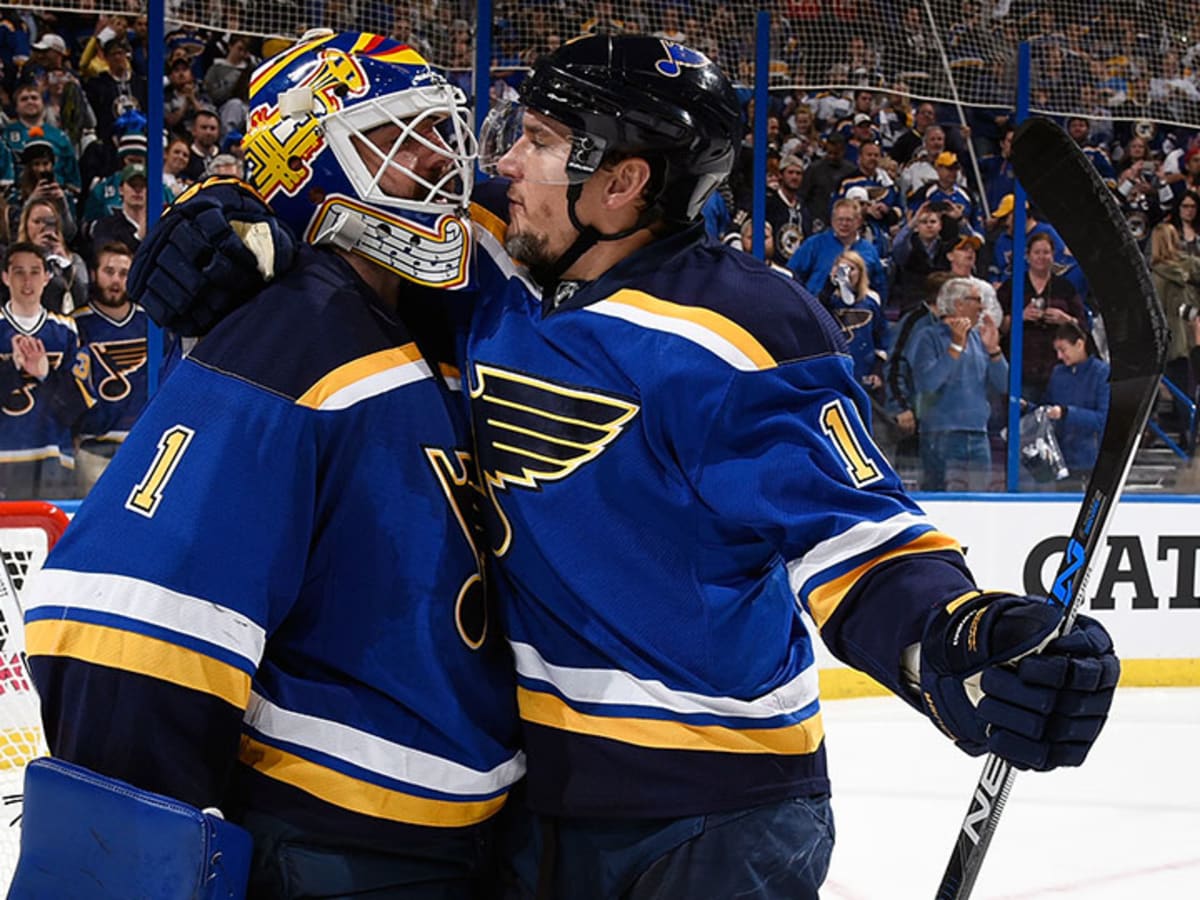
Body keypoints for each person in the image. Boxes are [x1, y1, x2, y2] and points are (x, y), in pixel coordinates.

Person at [142, 36, 1121, 900]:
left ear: (621, 183)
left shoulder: (740, 330)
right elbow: (350, 196)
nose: (502, 162)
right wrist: (224, 215)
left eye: (537, 140)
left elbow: (857, 538)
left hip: (713, 821)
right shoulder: (498, 260)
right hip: (541, 811)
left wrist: (959, 639)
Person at [18, 31, 523, 899]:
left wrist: (232, 194)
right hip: (340, 844)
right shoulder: (291, 336)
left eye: (444, 134)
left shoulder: (442, 316)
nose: (444, 164)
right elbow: (124, 615)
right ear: (312, 162)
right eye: (401, 140)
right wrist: (135, 859)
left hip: (468, 837)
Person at [54, 241, 149, 492]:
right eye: (109, 271)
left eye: (124, 273)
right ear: (94, 274)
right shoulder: (75, 324)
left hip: (143, 445)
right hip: (93, 449)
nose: (116, 280)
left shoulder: (151, 322)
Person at [909, 276, 1008, 492]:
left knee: (979, 504)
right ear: (958, 304)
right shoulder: (928, 337)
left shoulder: (978, 338)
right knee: (943, 501)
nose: (982, 307)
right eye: (976, 300)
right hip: (941, 435)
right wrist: (954, 347)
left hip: (978, 434)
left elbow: (1005, 386)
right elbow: (928, 384)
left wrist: (994, 350)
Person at [0, 241, 79, 500]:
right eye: (19, 272)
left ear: (46, 277)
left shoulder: (66, 329)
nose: (27, 280)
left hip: (53, 458)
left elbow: (77, 405)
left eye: (35, 272)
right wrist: (12, 368)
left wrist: (46, 374)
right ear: (5, 277)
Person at [997, 231, 1089, 401]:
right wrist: (1020, 317)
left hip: (1057, 369)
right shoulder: (1012, 286)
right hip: (1021, 368)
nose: (1041, 257)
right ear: (1028, 256)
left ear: (1053, 255)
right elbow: (998, 325)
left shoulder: (1065, 286)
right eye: (1037, 252)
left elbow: (1083, 326)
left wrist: (1065, 319)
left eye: (1046, 252)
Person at [1040, 322, 1110, 484]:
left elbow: (1103, 419)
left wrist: (1066, 413)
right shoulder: (1058, 373)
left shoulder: (1101, 373)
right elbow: (1047, 407)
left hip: (1090, 461)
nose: (1059, 356)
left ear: (1079, 344)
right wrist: (1027, 407)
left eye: (1063, 350)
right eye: (1057, 351)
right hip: (1061, 460)